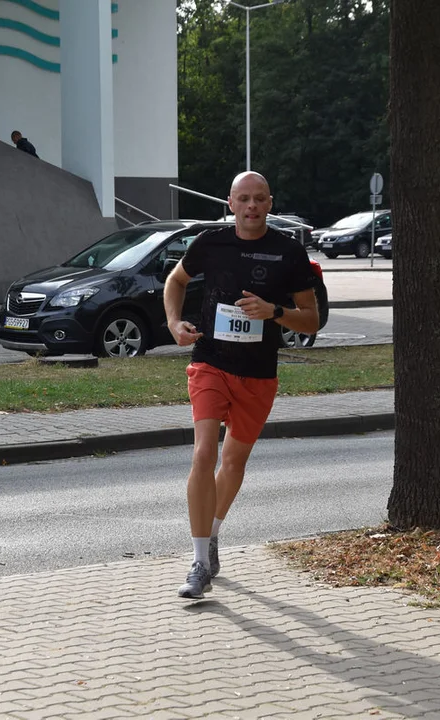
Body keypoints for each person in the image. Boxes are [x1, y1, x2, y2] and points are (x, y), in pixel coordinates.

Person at [164, 171, 320, 598]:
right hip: (210, 363)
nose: (251, 206)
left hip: (258, 374)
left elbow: (312, 319)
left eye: (259, 199)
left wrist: (273, 311)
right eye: (243, 199)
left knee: (232, 463)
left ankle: (211, 535)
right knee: (203, 453)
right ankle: (198, 563)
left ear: (270, 203)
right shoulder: (210, 243)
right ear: (229, 204)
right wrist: (174, 322)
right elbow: (176, 281)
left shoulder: (289, 253)